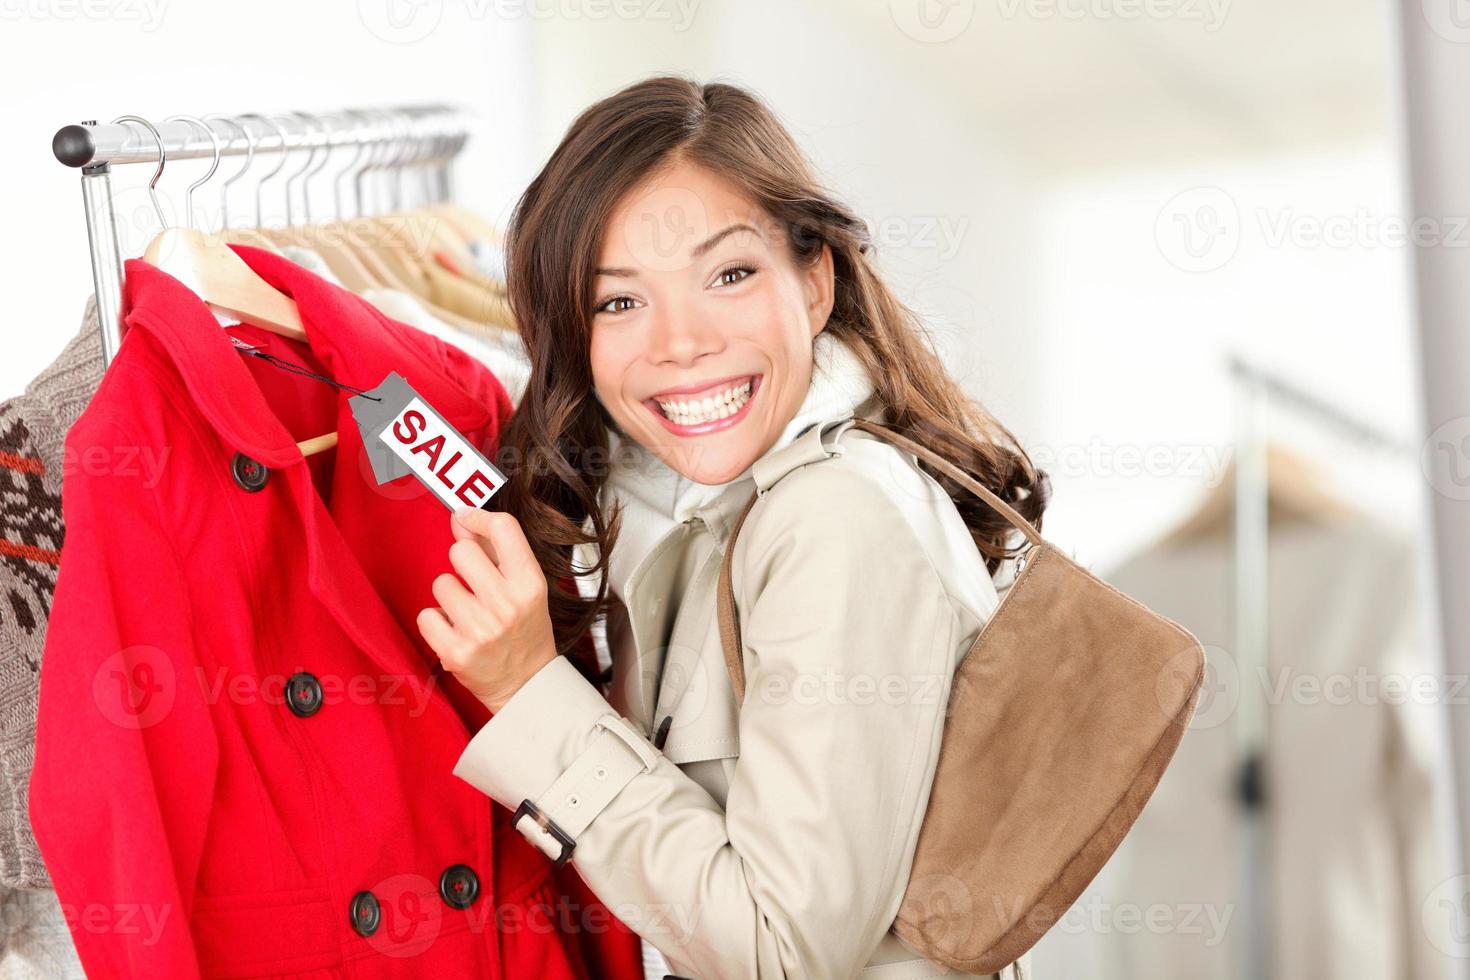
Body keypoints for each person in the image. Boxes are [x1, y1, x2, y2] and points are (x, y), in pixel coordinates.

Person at [415, 74, 1048, 979]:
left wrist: (527, 692)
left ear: (816, 280)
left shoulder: (833, 519)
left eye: (730, 275)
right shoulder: (713, 510)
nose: (680, 341)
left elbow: (784, 950)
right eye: (619, 301)